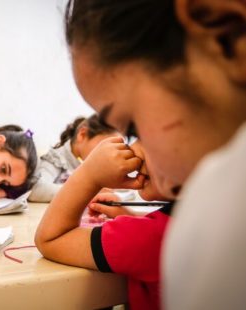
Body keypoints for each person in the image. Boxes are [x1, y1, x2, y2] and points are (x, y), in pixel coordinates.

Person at [62, 0, 246, 308]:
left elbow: (50, 238)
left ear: (225, 34)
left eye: (134, 127)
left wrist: (90, 174)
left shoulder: (223, 217)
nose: (138, 152)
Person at [35, 137, 172, 310]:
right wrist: (132, 216)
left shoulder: (150, 238)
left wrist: (90, 175)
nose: (132, 147)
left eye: (141, 134)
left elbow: (51, 239)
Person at [29, 113, 118, 202]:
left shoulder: (86, 164)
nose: (109, 153)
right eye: (104, 145)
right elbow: (35, 190)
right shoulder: (56, 159)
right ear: (82, 135)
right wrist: (87, 191)